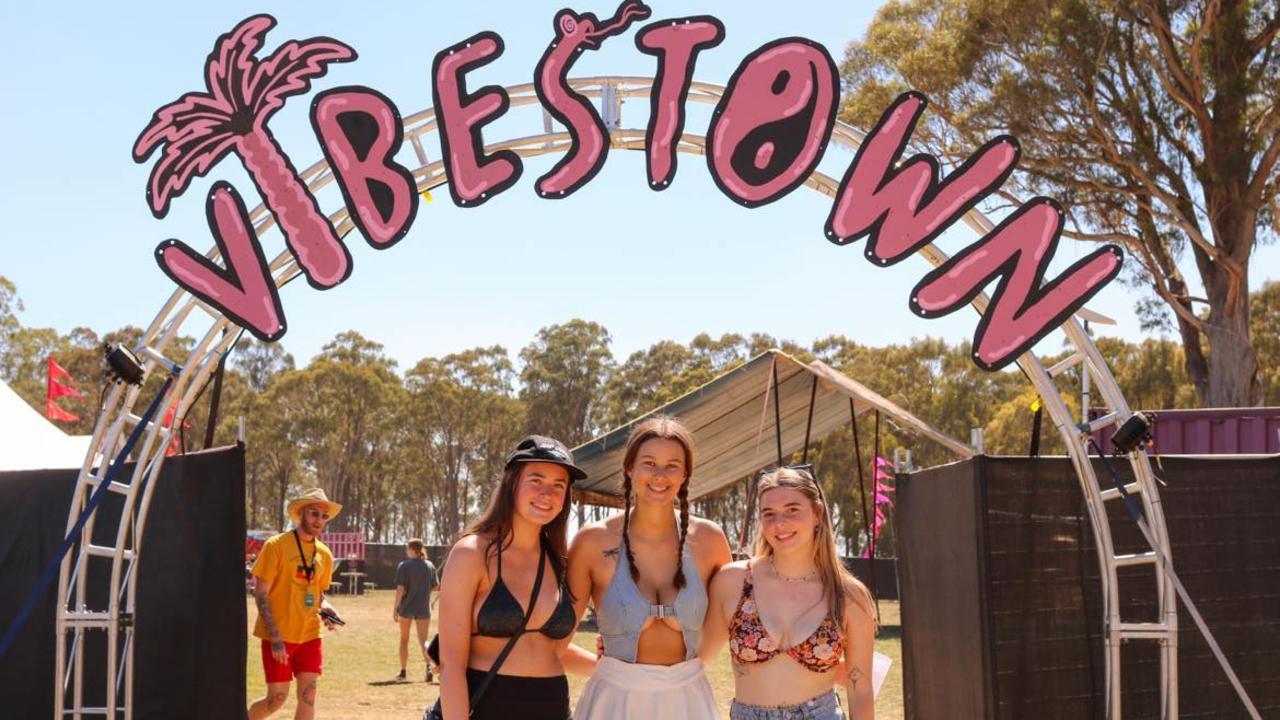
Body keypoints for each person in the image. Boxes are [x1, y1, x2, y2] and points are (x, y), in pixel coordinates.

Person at [568, 415, 732, 719]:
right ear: (630, 468)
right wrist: (611, 672)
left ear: (685, 474)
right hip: (613, 704)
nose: (660, 475)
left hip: (689, 702)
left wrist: (692, 669)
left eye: (672, 465)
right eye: (649, 463)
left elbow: (730, 620)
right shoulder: (592, 541)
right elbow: (556, 640)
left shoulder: (710, 540)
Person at [702, 466, 876, 720]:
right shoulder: (733, 582)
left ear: (817, 513)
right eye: (769, 513)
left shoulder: (848, 596)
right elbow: (695, 661)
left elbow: (860, 690)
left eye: (792, 510)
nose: (779, 523)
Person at [434, 435, 589, 720]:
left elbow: (552, 649)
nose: (547, 493)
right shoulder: (473, 553)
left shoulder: (561, 561)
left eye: (559, 485)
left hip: (553, 706)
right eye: (536, 480)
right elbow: (451, 662)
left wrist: (611, 666)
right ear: (511, 482)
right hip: (487, 706)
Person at [248, 488, 345, 720]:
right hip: (279, 636)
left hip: (310, 635)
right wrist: (276, 638)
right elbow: (261, 594)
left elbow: (318, 594)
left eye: (324, 516)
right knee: (276, 700)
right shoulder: (276, 545)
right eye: (314, 513)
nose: (319, 520)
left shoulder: (325, 554)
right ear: (301, 513)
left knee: (308, 696)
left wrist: (328, 611)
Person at [394, 538, 439, 682]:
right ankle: (428, 668)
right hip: (423, 608)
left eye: (408, 549)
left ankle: (403, 672)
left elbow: (400, 588)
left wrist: (395, 608)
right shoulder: (429, 565)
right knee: (424, 641)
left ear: (412, 549)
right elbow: (436, 586)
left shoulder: (404, 566)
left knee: (404, 640)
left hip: (406, 608)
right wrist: (426, 594)